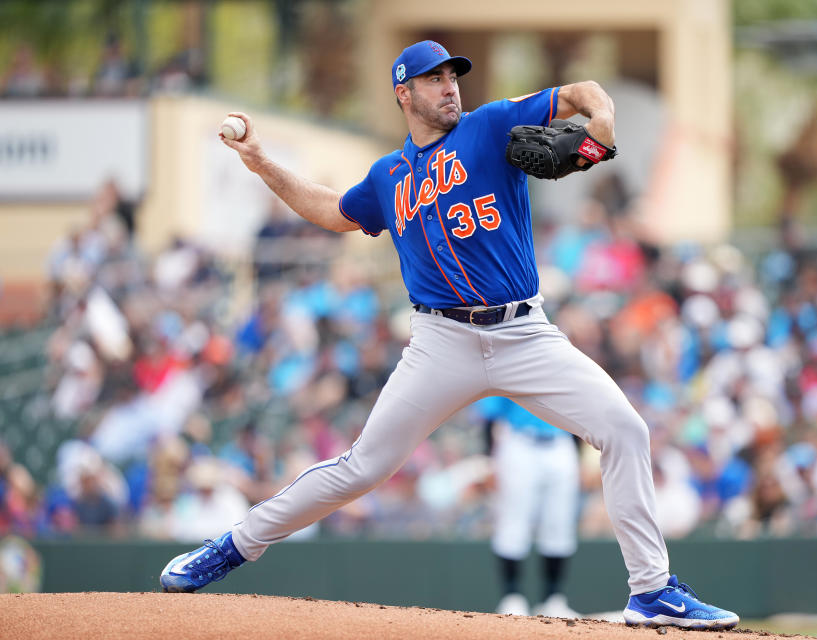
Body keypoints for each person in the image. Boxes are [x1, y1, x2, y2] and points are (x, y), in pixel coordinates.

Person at [159, 40, 738, 629]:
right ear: (404, 93)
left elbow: (580, 95)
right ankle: (231, 546)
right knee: (362, 467)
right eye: (434, 79)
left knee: (625, 429)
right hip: (441, 344)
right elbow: (332, 210)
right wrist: (260, 162)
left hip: (523, 333)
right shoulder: (388, 176)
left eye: (453, 76)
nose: (450, 86)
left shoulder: (489, 127)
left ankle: (652, 590)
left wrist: (602, 120)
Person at [476, 396, 580, 619]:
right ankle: (511, 596)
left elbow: (579, 409)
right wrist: (487, 457)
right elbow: (490, 412)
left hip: (561, 442)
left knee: (559, 522)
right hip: (520, 442)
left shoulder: (564, 363)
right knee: (513, 520)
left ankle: (553, 598)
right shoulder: (511, 361)